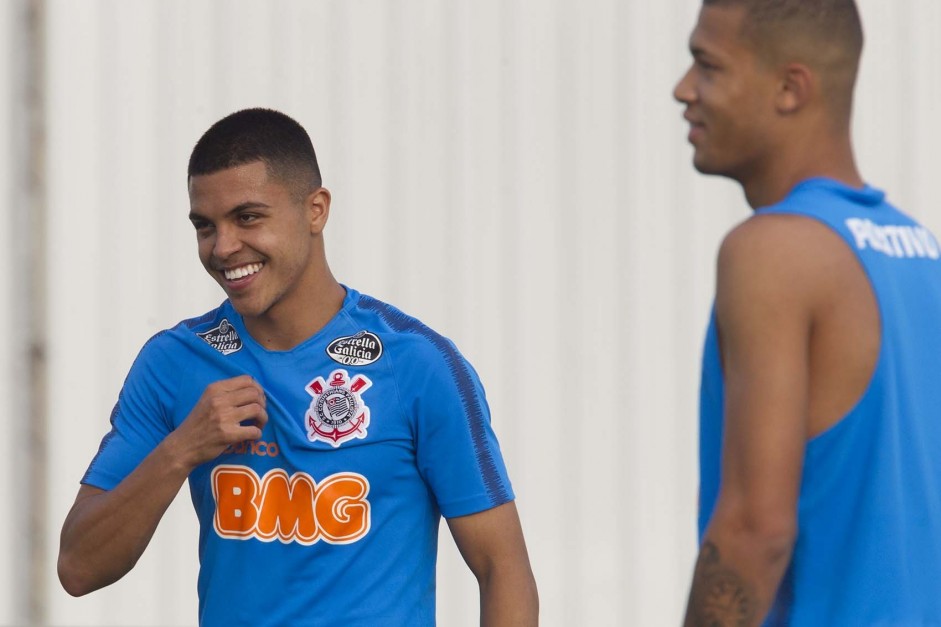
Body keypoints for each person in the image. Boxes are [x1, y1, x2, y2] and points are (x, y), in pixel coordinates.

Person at [57, 108, 539, 626]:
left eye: (248, 217)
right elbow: (79, 568)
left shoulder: (417, 365)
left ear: (316, 210)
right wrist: (181, 451)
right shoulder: (173, 362)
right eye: (205, 226)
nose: (223, 247)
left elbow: (501, 567)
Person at [674, 1, 941, 625]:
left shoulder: (774, 251)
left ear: (790, 88)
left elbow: (754, 531)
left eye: (707, 66)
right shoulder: (923, 255)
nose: (683, 90)